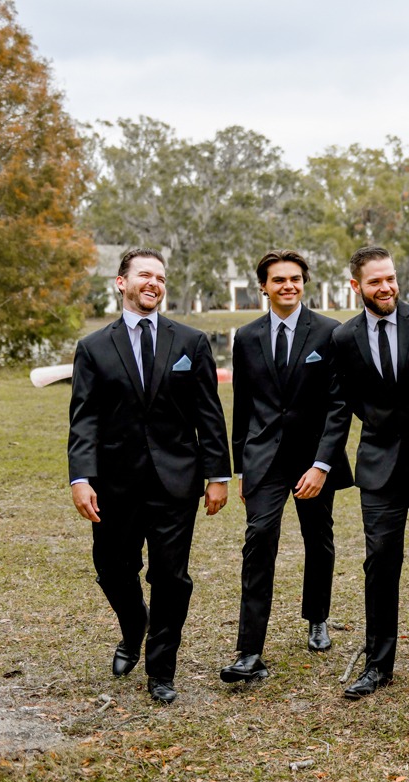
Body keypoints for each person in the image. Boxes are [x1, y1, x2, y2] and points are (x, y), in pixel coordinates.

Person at [68, 247, 230, 704]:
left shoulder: (190, 343)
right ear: (122, 283)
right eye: (144, 275)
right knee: (112, 571)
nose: (153, 283)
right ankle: (133, 623)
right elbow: (84, 419)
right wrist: (81, 478)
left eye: (159, 277)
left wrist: (218, 474)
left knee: (170, 577)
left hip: (176, 482)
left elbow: (209, 415)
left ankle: (161, 670)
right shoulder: (94, 347)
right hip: (113, 485)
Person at [317, 246, 409, 699]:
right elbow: (341, 406)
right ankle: (379, 663)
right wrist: (324, 460)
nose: (386, 288)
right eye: (375, 281)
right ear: (355, 286)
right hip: (378, 466)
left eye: (391, 278)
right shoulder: (343, 339)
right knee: (381, 559)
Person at [219, 249, 353, 684]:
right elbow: (243, 407)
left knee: (319, 539)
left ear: (304, 282)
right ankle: (248, 648)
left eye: (295, 279)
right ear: (264, 286)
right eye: (278, 280)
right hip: (263, 459)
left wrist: (321, 465)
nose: (288, 286)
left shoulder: (330, 333)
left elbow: (339, 407)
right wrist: (242, 468)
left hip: (314, 460)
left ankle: (317, 617)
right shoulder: (246, 336)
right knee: (259, 539)